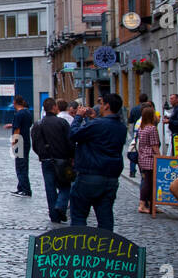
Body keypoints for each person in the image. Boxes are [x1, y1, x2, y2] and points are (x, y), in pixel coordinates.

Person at [68, 93, 126, 229]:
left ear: (107, 106)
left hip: (90, 174)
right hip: (111, 177)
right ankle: (105, 248)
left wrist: (78, 117)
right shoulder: (121, 128)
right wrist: (93, 119)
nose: (99, 106)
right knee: (105, 217)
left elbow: (74, 134)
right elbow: (98, 136)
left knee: (79, 214)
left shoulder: (98, 124)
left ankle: (78, 246)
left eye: (101, 103)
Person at [32, 98, 73, 223]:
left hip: (46, 160)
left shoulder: (38, 124)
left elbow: (35, 145)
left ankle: (54, 216)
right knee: (66, 185)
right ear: (54, 107)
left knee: (50, 188)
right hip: (62, 160)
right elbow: (70, 142)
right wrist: (72, 157)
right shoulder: (62, 123)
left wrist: (42, 154)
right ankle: (60, 205)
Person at [136, 103, 161, 214]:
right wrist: (160, 157)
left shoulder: (142, 128)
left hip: (142, 157)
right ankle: (142, 205)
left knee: (148, 181)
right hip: (150, 158)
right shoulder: (152, 128)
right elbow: (155, 145)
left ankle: (151, 205)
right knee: (149, 182)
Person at [11, 96, 33, 196]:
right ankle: (21, 187)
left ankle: (25, 189)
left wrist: (13, 142)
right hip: (26, 141)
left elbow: (17, 129)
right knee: (24, 165)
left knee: (20, 166)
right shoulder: (28, 112)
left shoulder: (18, 114)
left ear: (15, 102)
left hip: (19, 142)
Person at [126, 93, 149, 178]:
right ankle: (143, 169)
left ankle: (132, 171)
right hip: (146, 131)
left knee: (134, 150)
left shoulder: (135, 109)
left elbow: (130, 120)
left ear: (139, 100)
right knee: (143, 151)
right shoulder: (149, 108)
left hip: (136, 132)